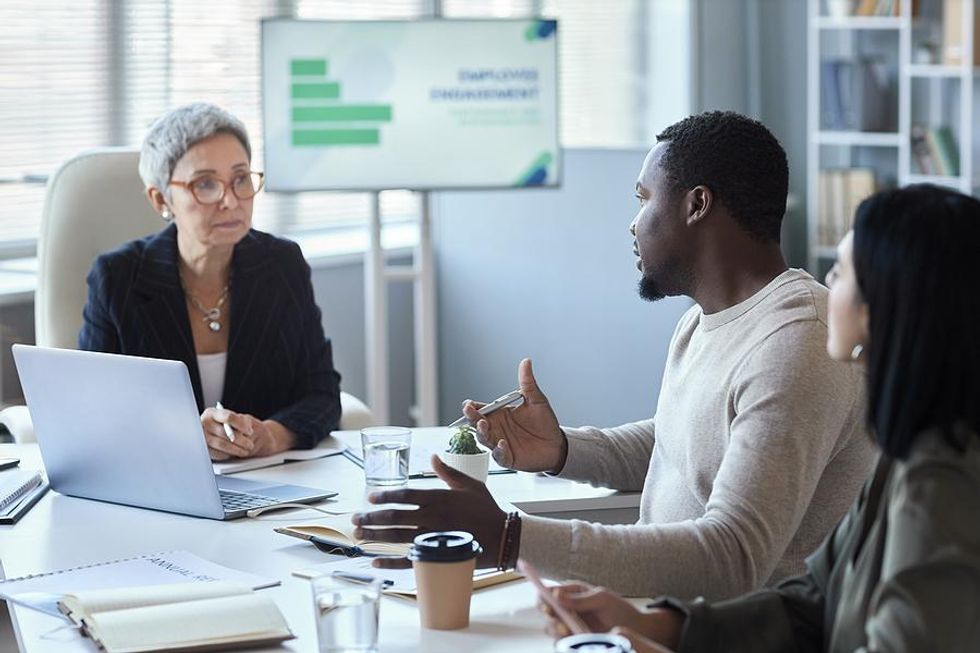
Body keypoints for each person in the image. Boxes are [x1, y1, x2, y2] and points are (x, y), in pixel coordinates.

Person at [352, 111, 876, 599]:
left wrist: (506, 535)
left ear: (697, 205)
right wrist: (561, 449)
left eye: (644, 198)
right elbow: (681, 444)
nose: (633, 223)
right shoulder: (704, 318)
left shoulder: (797, 341)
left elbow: (732, 557)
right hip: (657, 618)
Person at [540, 184, 980, 652]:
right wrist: (660, 626)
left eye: (842, 270)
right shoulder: (905, 453)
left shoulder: (943, 485)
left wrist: (508, 535)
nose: (826, 283)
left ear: (885, 305)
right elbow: (813, 603)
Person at [79, 102, 342, 460]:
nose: (230, 200)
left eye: (240, 179)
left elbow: (322, 394)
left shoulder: (282, 264)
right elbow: (94, 411)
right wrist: (181, 434)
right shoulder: (117, 278)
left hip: (271, 485)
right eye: (206, 184)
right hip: (159, 483)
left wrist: (272, 435)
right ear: (161, 199)